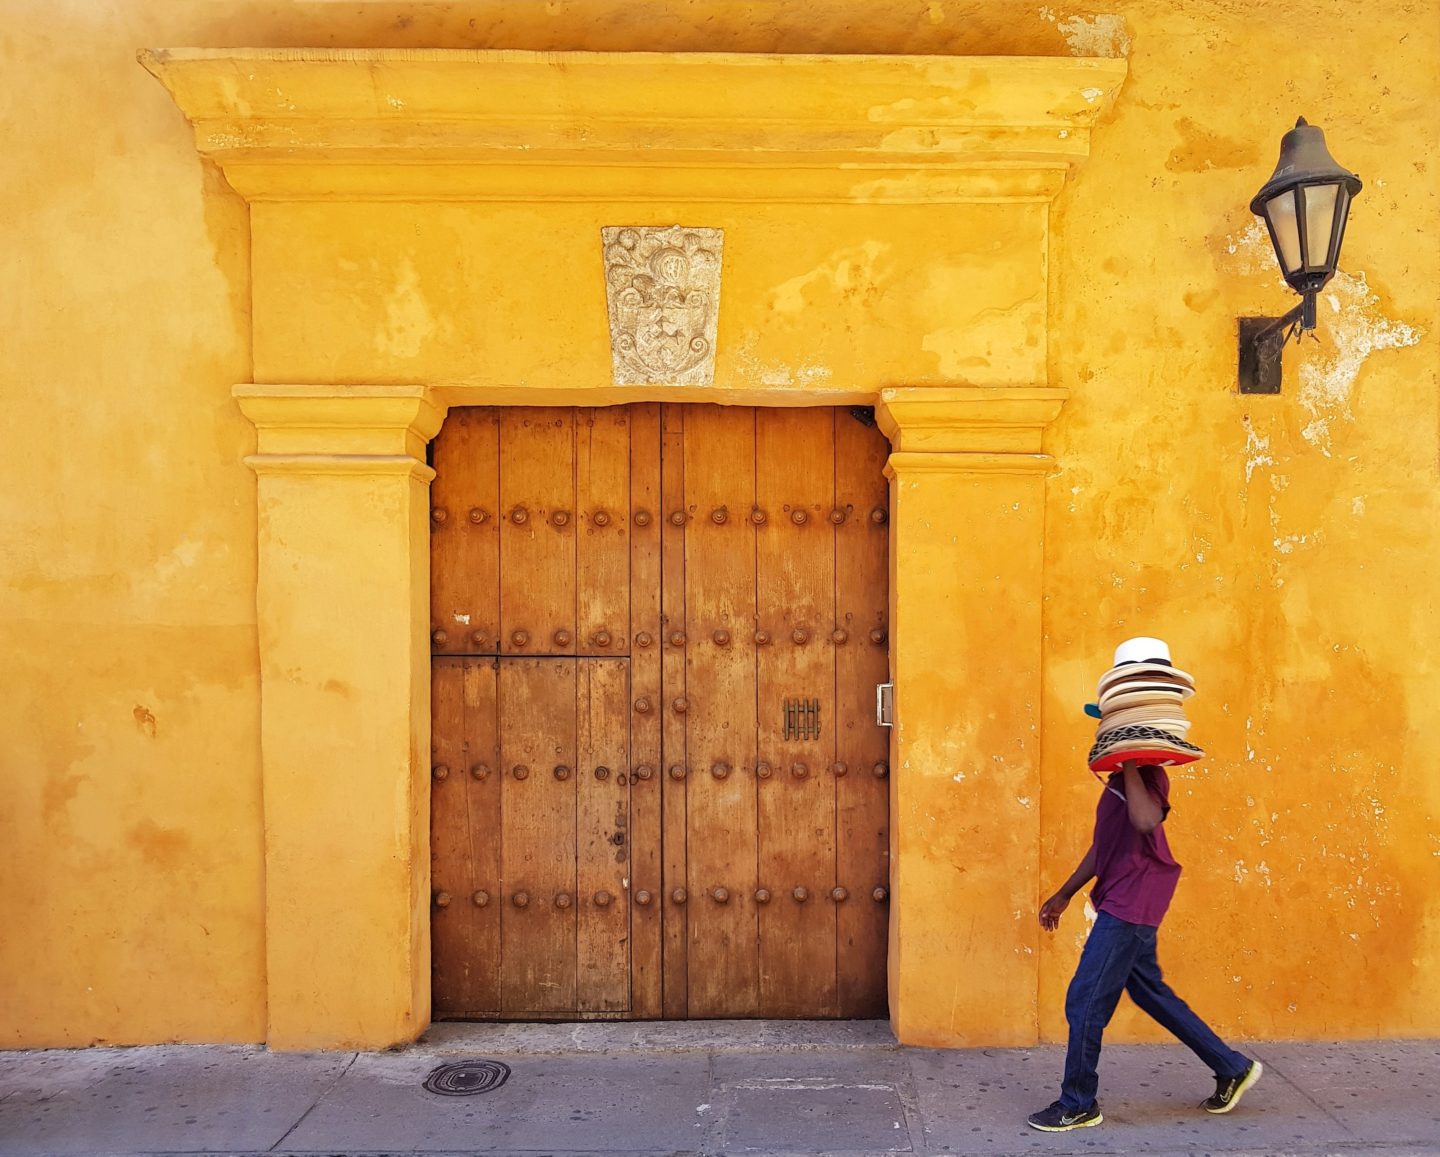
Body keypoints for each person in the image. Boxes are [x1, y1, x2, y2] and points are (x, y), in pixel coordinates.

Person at [1027, 757, 1262, 1131]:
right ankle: (1232, 1067)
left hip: (1131, 905)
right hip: (1127, 901)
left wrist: (1133, 764)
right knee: (1150, 992)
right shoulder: (1121, 780)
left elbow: (1146, 819)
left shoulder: (1148, 776)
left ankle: (1078, 1102)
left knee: (1085, 999)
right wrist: (1065, 893)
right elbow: (1103, 847)